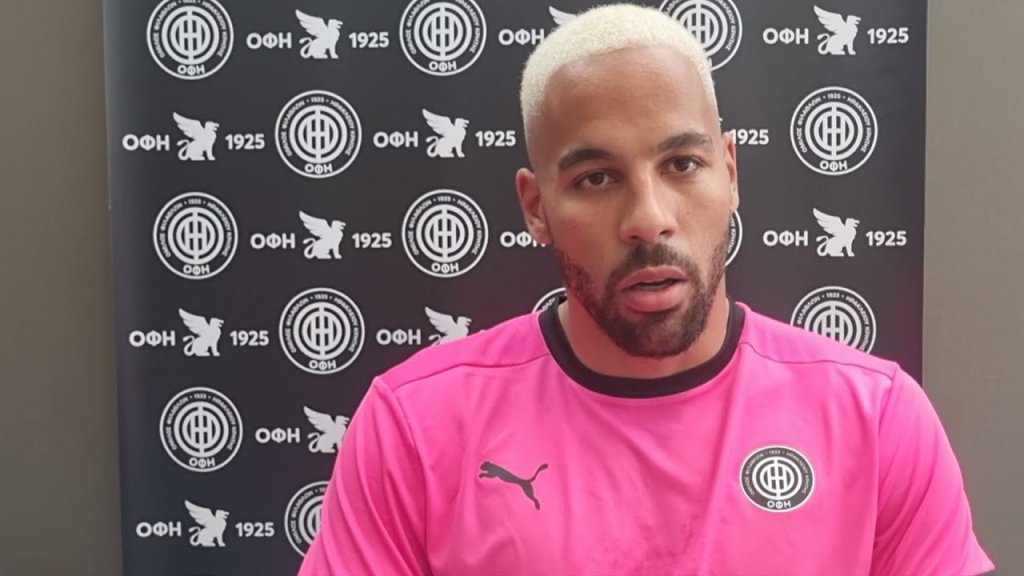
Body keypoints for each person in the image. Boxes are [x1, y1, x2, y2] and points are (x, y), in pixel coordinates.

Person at [297, 4, 994, 575]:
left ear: (730, 173)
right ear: (536, 207)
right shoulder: (413, 428)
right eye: (597, 178)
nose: (649, 219)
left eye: (682, 164)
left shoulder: (876, 417)